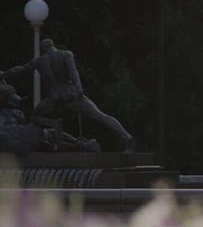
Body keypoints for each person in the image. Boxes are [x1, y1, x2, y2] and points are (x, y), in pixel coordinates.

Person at [0, 39, 134, 151]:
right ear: (53, 46)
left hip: (55, 99)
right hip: (71, 94)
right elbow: (73, 72)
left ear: (43, 49)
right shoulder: (66, 54)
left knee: (35, 116)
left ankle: (54, 124)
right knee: (99, 115)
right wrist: (79, 88)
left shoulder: (40, 61)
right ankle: (126, 136)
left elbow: (20, 69)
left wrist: (4, 74)